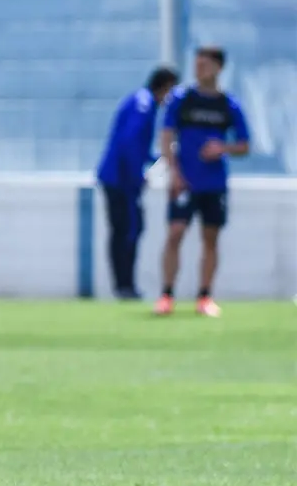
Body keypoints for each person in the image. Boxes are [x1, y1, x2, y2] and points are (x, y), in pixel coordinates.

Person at [156, 46, 250, 317]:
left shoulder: (228, 105)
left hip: (214, 183)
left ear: (219, 68)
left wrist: (223, 148)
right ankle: (166, 295)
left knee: (210, 238)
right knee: (175, 233)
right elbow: (166, 136)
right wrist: (174, 172)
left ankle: (205, 296)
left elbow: (244, 145)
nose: (199, 69)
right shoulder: (182, 99)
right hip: (184, 181)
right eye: (197, 64)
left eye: (205, 65)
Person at [96, 66, 179, 299]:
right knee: (126, 230)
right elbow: (129, 143)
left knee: (127, 229)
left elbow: (137, 146)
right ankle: (124, 286)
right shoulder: (143, 104)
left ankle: (125, 284)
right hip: (120, 179)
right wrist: (137, 176)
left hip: (119, 177)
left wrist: (157, 157)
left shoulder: (140, 101)